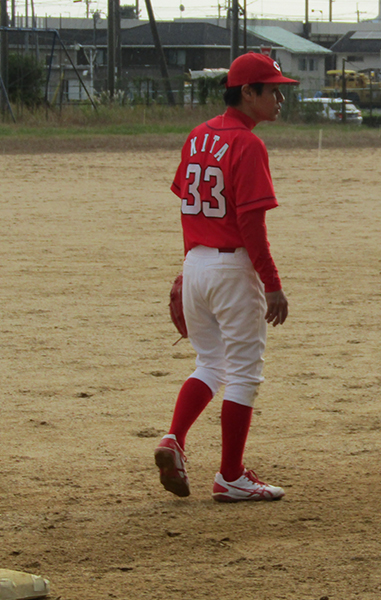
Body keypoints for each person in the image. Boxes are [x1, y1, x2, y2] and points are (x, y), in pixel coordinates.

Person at [154, 52, 297, 502]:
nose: (278, 98)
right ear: (247, 93)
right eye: (271, 90)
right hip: (232, 267)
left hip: (196, 261)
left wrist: (187, 265)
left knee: (210, 364)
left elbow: (185, 204)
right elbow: (252, 223)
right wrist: (271, 283)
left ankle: (173, 439)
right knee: (243, 374)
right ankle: (231, 476)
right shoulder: (248, 145)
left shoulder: (198, 136)